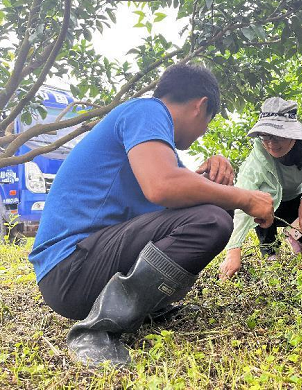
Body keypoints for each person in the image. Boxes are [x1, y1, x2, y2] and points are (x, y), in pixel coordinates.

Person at [28, 63, 274, 366]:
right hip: (70, 268)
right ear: (202, 106)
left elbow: (179, 199)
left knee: (214, 212)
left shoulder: (152, 145)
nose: (202, 134)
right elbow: (163, 186)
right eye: (208, 124)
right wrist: (245, 197)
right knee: (211, 220)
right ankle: (96, 331)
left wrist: (215, 178)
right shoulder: (147, 111)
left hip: (78, 271)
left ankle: (147, 306)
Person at [219, 97, 302, 279]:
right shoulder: (258, 159)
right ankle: (270, 251)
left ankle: (296, 236)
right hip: (268, 209)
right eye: (266, 136)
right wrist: (233, 250)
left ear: (293, 134)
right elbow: (242, 200)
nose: (271, 143)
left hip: (296, 204)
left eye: (278, 136)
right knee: (261, 199)